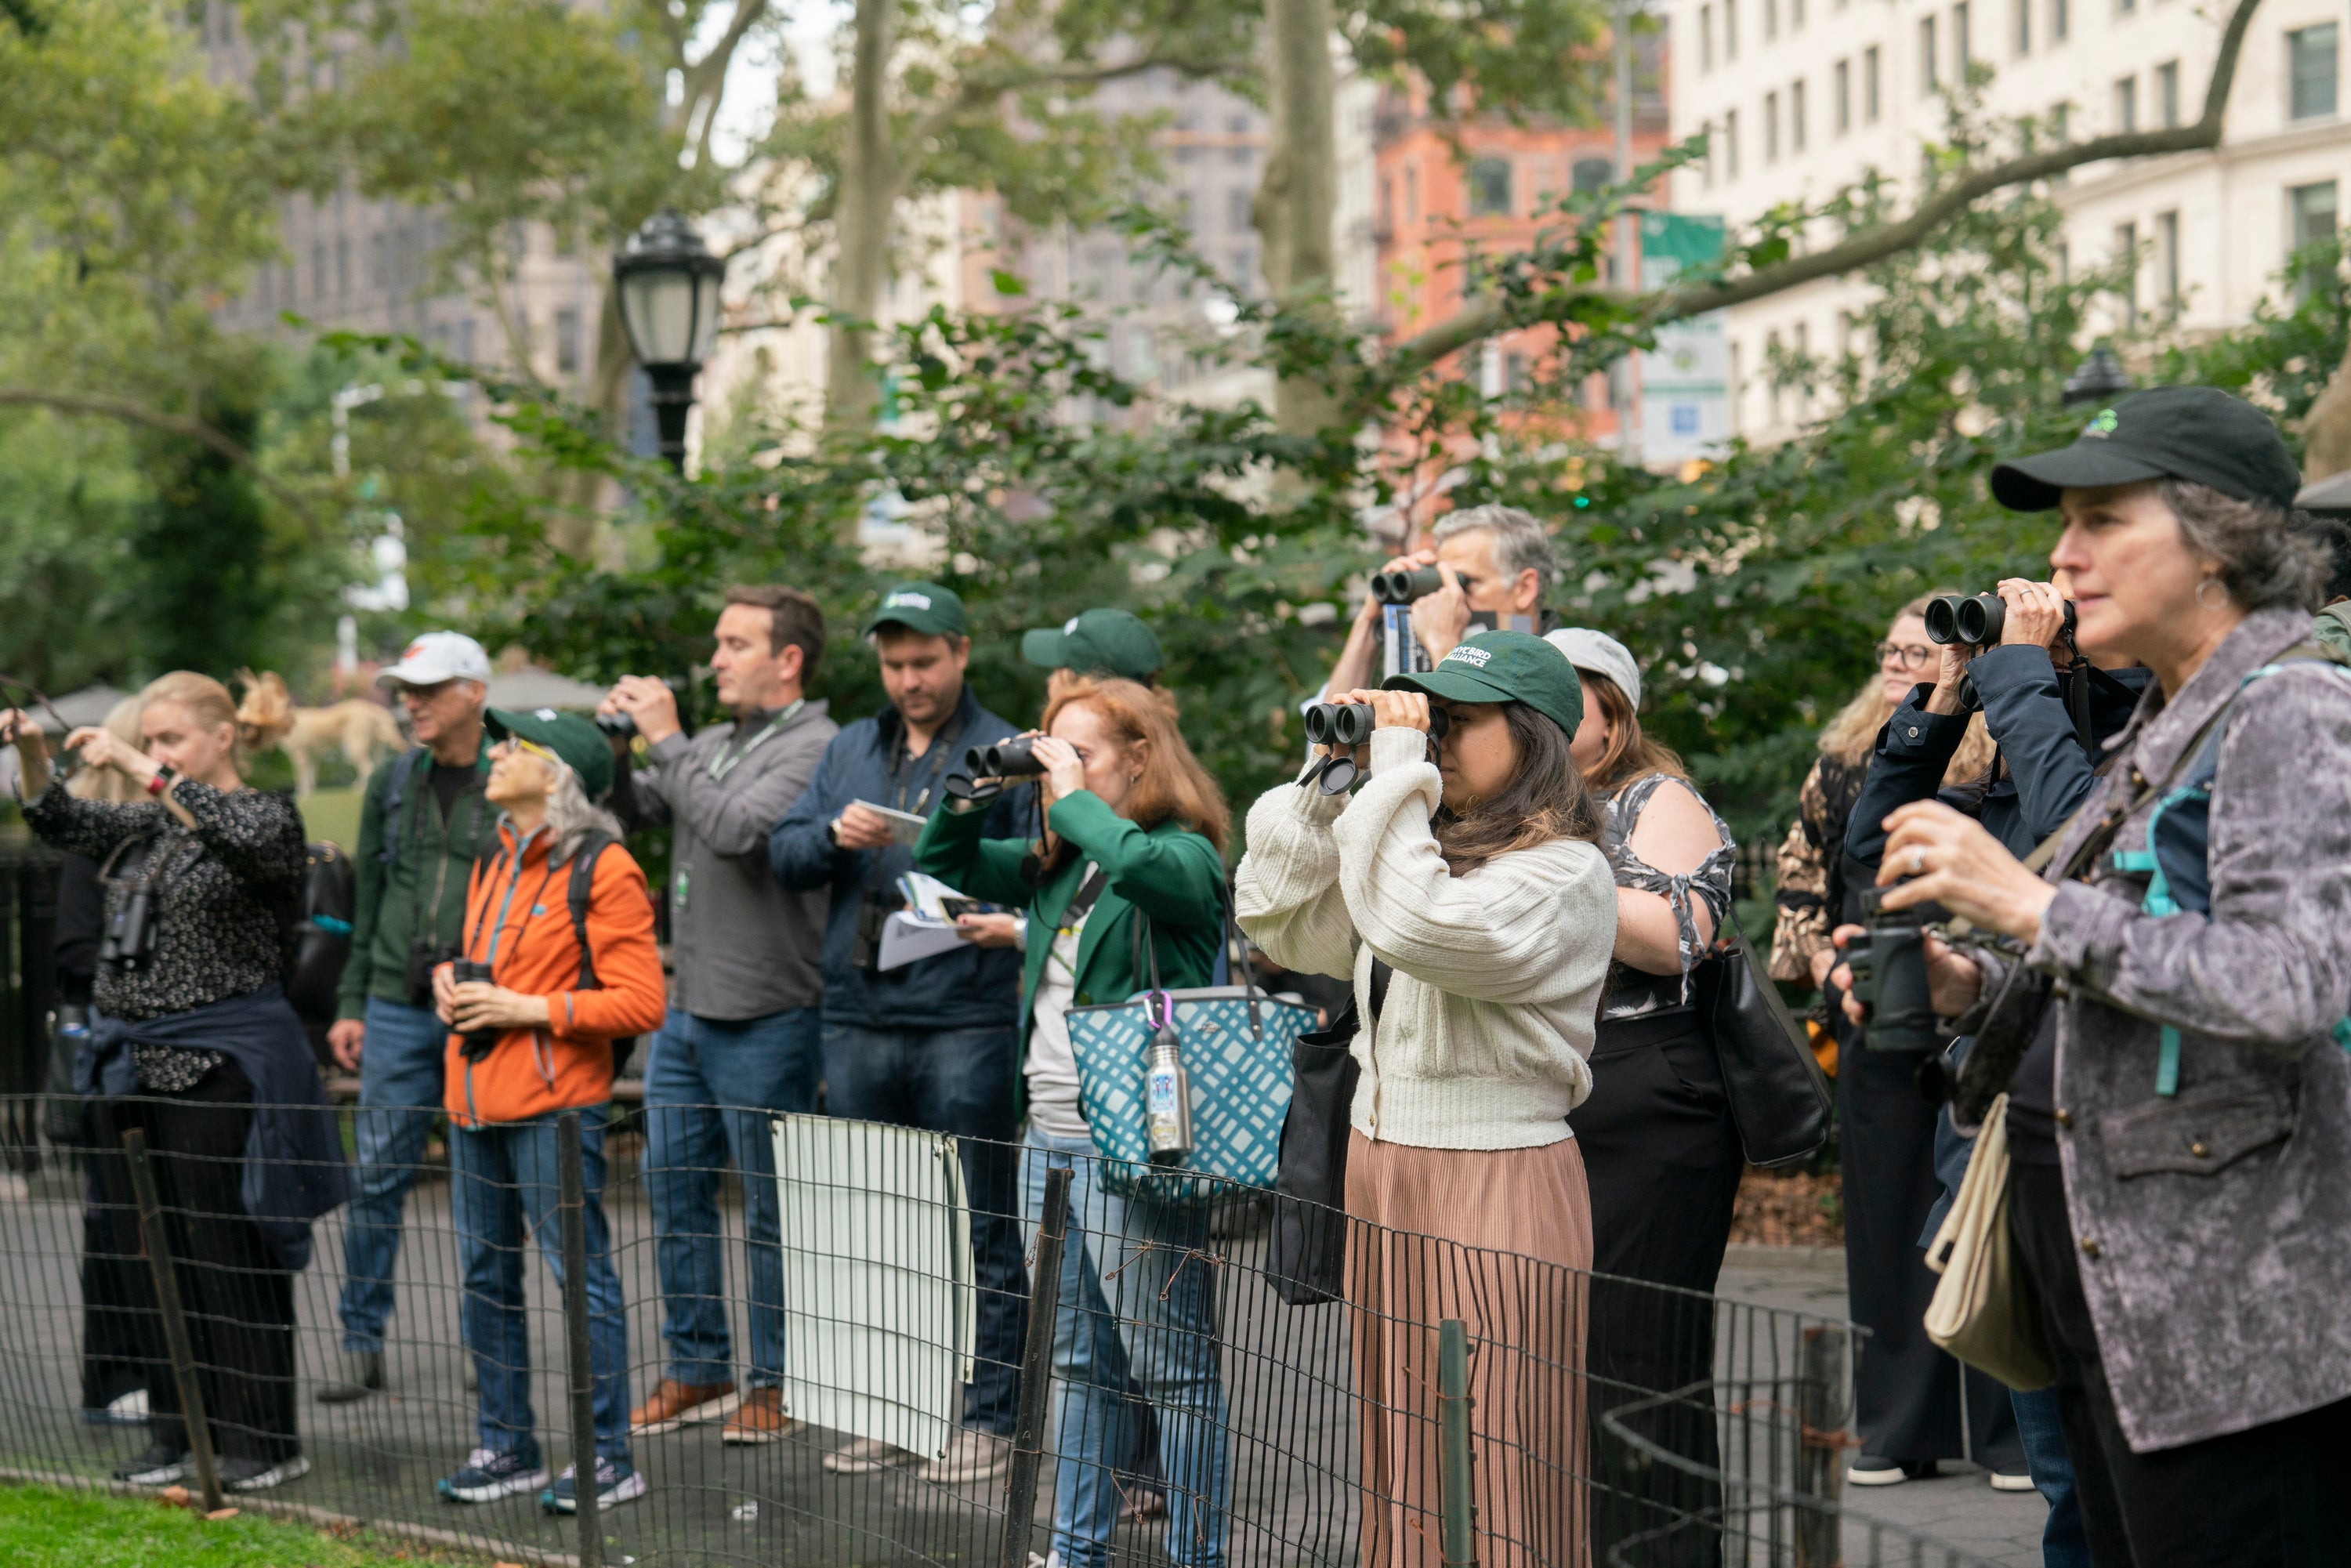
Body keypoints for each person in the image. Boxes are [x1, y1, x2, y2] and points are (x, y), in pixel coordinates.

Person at [1841, 386, 2351, 1566]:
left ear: (2225, 539)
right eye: (2064, 522)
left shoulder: (2295, 711)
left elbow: (2289, 980)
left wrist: (2026, 902)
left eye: (2104, 520)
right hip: (2124, 1289)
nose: (2064, 556)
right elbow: (2118, 953)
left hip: (2232, 1323)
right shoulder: (2176, 715)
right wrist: (1972, 982)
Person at [1236, 630, 1617, 1568]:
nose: (1434, 736)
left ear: (1533, 739)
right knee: (1402, 1439)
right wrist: (1327, 777)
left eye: (1457, 721)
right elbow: (1277, 915)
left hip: (1499, 1174)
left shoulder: (1567, 873)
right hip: (1381, 1165)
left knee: (1499, 1449)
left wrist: (1398, 770)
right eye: (1427, 718)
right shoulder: (1416, 853)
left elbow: (1421, 925)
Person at [1842, 581, 2153, 1537]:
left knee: (2128, 1498)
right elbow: (1870, 847)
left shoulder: (2133, 759)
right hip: (2004, 1164)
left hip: (2117, 1181)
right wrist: (1946, 696)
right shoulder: (2004, 787)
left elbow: (2084, 847)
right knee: (2069, 1494)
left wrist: (2026, 673)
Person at [914, 675, 1233, 1568]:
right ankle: (1074, 1551)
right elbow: (945, 859)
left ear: (1141, 757)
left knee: (1170, 1368)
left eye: (1082, 751)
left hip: (1131, 1148)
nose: (1062, 769)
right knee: (1076, 1364)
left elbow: (1138, 866)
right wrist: (975, 788)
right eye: (1051, 749)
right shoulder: (1063, 866)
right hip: (1045, 1138)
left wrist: (1069, 795)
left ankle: (1197, 1555)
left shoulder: (1183, 856)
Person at [5, 673, 347, 1494]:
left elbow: (243, 838)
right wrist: (32, 748)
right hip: (133, 1063)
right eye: (151, 741)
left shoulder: (266, 816)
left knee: (227, 1254)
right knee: (150, 1256)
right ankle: (176, 1433)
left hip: (219, 1067)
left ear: (222, 737)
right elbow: (56, 814)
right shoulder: (150, 827)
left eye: (172, 740)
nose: (156, 755)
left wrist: (137, 762)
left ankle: (261, 1438)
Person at [768, 582, 1033, 1483]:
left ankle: (991, 1420)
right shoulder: (850, 746)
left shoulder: (1004, 750)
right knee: (878, 1226)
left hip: (966, 1011)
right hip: (858, 1013)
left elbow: (1038, 870)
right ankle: (894, 1408)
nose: (909, 679)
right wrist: (834, 837)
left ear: (961, 653)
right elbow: (785, 855)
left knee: (981, 1225)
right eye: (893, 664)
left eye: (924, 661)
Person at [603, 586, 839, 1445]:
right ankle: (698, 1366)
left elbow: (739, 829)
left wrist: (667, 741)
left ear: (789, 659)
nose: (714, 659)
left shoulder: (818, 745)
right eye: (717, 642)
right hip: (688, 1009)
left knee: (772, 1210)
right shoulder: (712, 743)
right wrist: (620, 747)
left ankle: (777, 1381)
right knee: (673, 1192)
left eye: (735, 644)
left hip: (770, 1010)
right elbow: (632, 814)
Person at [433, 708, 666, 1515]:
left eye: (514, 744)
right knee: (484, 1277)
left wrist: (523, 1009)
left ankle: (609, 1458)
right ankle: (507, 1445)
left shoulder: (605, 867)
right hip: (472, 1101)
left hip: (557, 1109)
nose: (495, 754)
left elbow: (641, 1002)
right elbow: (485, 971)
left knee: (581, 1281)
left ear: (558, 770)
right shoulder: (493, 858)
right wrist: (450, 985)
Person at [1542, 628, 1743, 1564]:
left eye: (1560, 698)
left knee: (1638, 1365)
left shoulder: (1653, 800)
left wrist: (1556, 857)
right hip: (1542, 1099)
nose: (1533, 715)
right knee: (1554, 1372)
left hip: (1646, 1096)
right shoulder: (1497, 810)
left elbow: (1676, 938)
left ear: (1613, 717)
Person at [320, 631, 498, 1403]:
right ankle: (360, 1342)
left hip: (480, 1010)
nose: (411, 701)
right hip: (394, 1006)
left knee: (481, 1185)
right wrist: (353, 1003)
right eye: (406, 688)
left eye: (429, 688)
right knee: (375, 1181)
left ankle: (489, 1344)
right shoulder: (394, 780)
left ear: (474, 694)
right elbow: (367, 901)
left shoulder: (518, 776)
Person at [1769, 599, 1994, 1003]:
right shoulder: (1841, 760)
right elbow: (1799, 866)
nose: (1894, 662)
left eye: (1915, 652)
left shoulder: (1990, 762)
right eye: (1890, 650)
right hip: (1862, 974)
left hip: (1965, 973)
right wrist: (1823, 961)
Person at [52, 697, 154, 1428]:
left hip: (157, 1052)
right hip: (109, 1056)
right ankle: (112, 1377)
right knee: (113, 1219)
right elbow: (73, 953)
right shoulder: (93, 842)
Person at [1319, 504, 1559, 701]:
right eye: (1442, 583)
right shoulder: (1430, 656)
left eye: (1465, 583)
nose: (1448, 599)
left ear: (1524, 588)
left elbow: (1484, 744)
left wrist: (1443, 644)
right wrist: (1369, 623)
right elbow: (1326, 750)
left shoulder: (1566, 668)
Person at [1023, 607, 1167, 701]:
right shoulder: (1159, 741)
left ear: (1083, 689)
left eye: (1058, 671)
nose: (1049, 680)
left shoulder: (1066, 745)